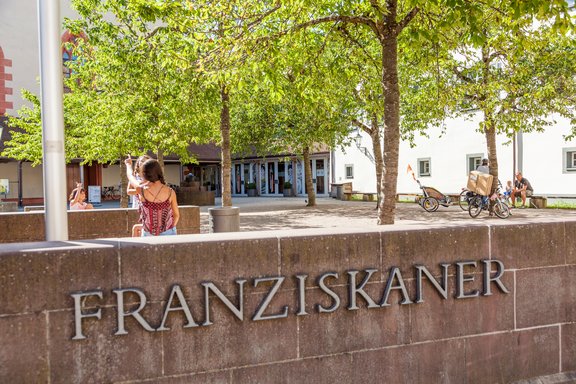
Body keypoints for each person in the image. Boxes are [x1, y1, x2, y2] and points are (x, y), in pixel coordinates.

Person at [125, 156, 179, 236]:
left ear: (144, 174)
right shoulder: (171, 192)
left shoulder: (142, 190)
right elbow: (176, 215)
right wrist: (170, 227)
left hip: (148, 233)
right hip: (169, 232)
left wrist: (128, 165)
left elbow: (130, 176)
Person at [126, 155, 150, 237]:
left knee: (143, 227)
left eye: (145, 161)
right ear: (138, 163)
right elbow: (128, 191)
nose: (143, 163)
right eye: (141, 161)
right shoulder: (134, 175)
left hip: (149, 203)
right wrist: (141, 191)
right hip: (137, 203)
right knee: (138, 225)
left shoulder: (151, 175)